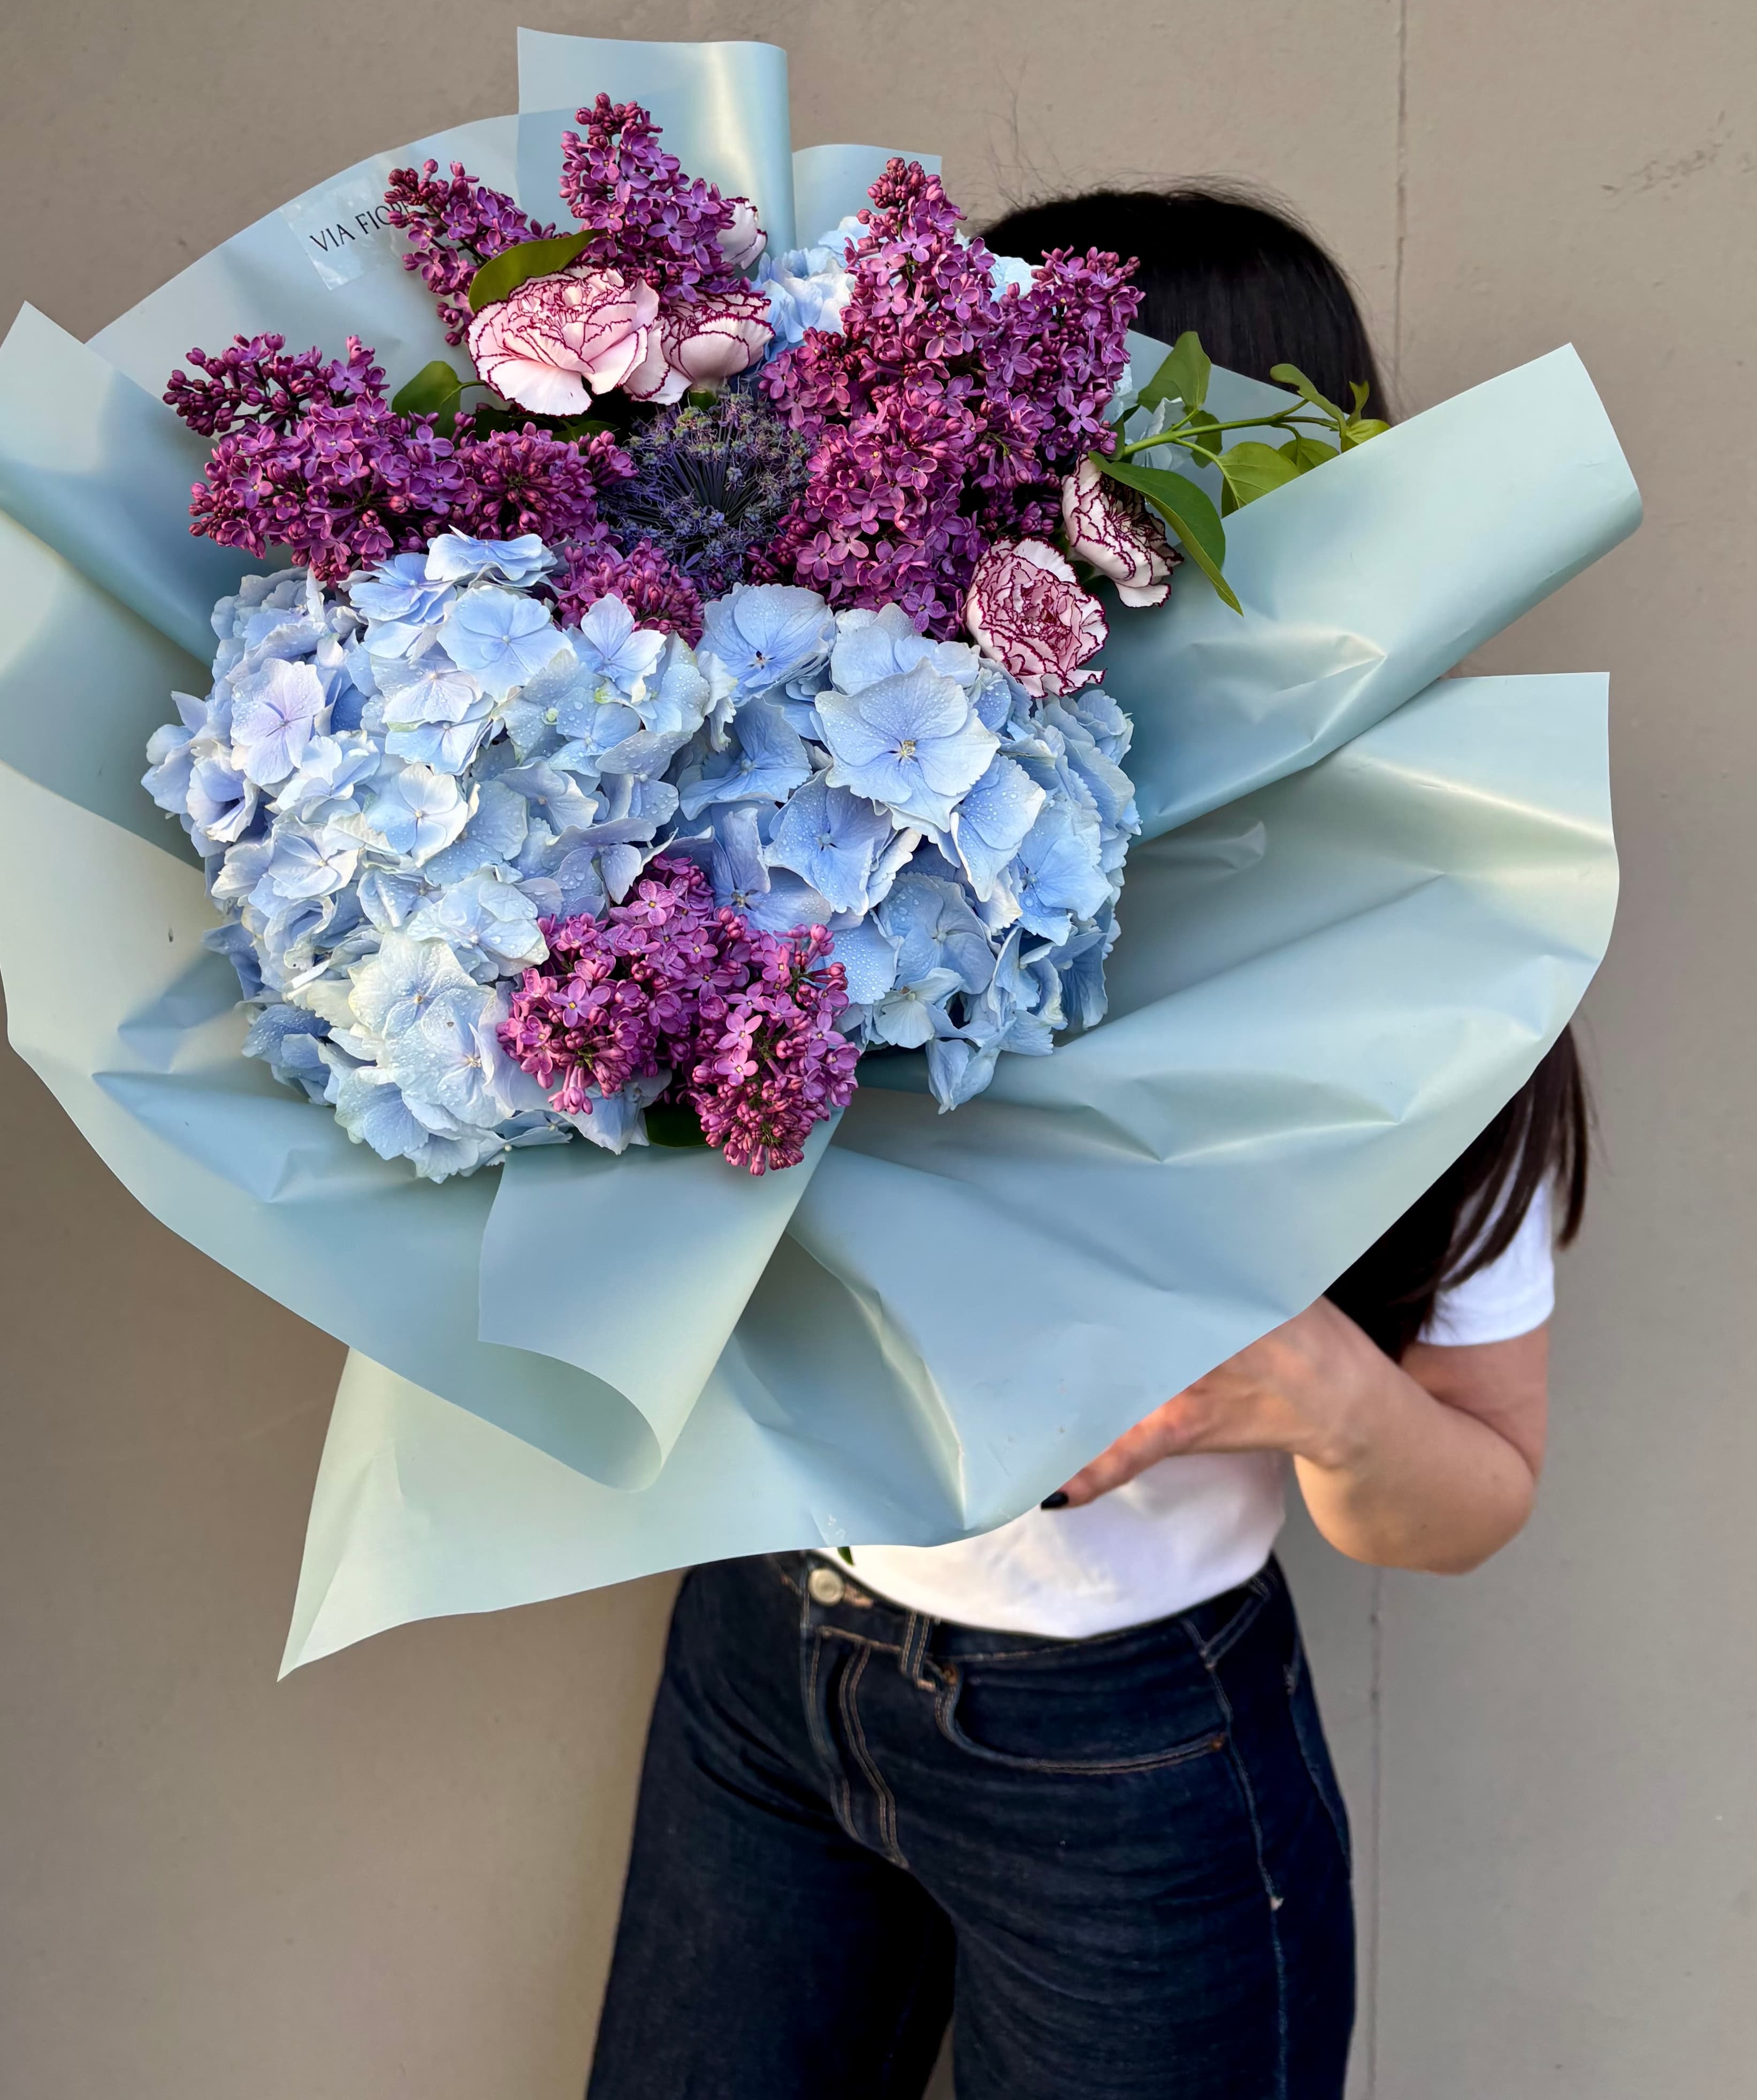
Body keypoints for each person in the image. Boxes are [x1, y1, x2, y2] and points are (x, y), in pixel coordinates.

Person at [585, 186, 1591, 2100]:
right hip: (765, 1643)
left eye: (1039, 440)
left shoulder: (1427, 956)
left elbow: (1483, 1488)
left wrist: (1324, 1392)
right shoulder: (819, 805)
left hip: (1129, 1755)